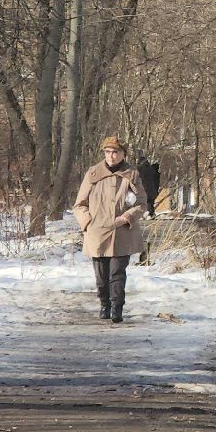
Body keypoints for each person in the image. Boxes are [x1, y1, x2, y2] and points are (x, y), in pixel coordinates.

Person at [74, 136, 148, 323]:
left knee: (117, 273)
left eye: (115, 152)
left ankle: (117, 307)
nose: (111, 156)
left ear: (123, 154)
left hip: (122, 231)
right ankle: (104, 304)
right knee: (101, 276)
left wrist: (127, 217)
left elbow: (141, 203)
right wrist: (88, 222)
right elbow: (79, 204)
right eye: (107, 152)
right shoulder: (93, 173)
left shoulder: (132, 174)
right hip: (97, 232)